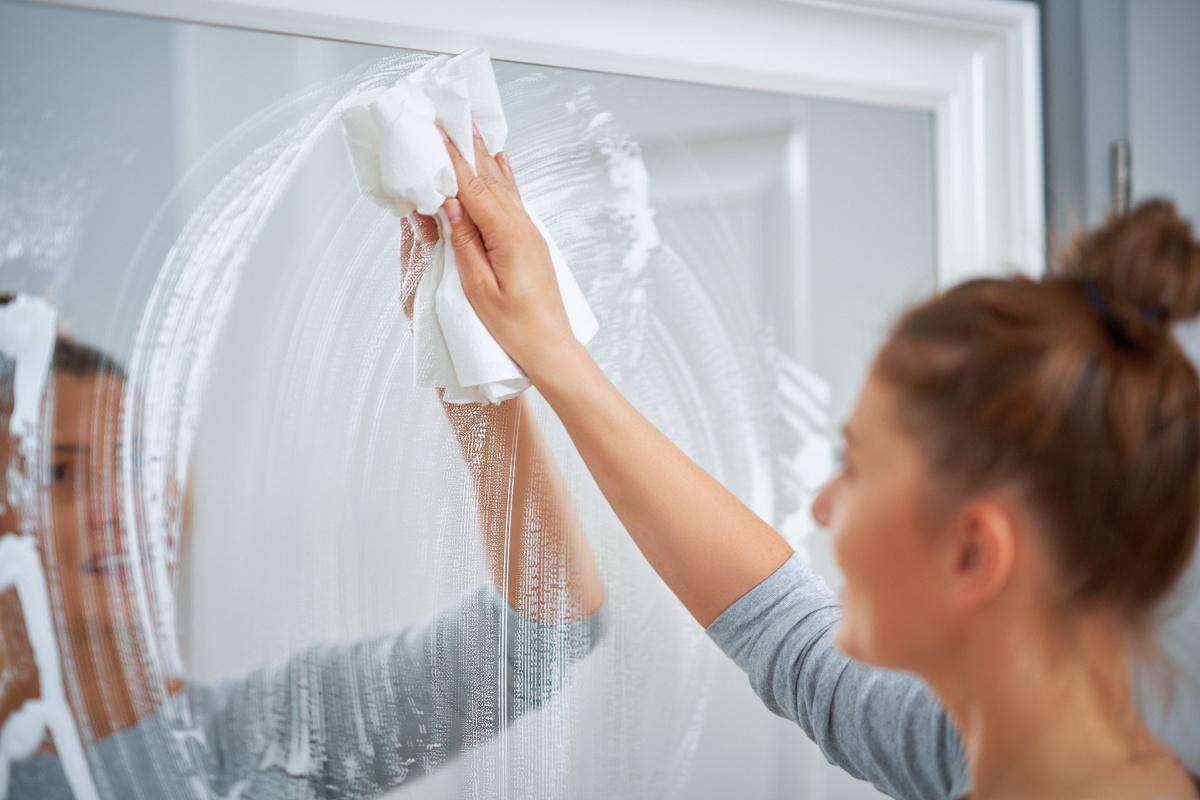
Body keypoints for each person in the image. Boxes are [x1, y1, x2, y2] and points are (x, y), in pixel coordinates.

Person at [433, 125, 1200, 799]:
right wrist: (548, 356)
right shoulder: (971, 750)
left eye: (857, 468)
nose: (826, 505)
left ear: (974, 552)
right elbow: (787, 633)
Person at [0, 220, 604, 799]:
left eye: (137, 462)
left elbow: (543, 635)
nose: (122, 507)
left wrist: (469, 370)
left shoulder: (262, 742)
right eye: (57, 473)